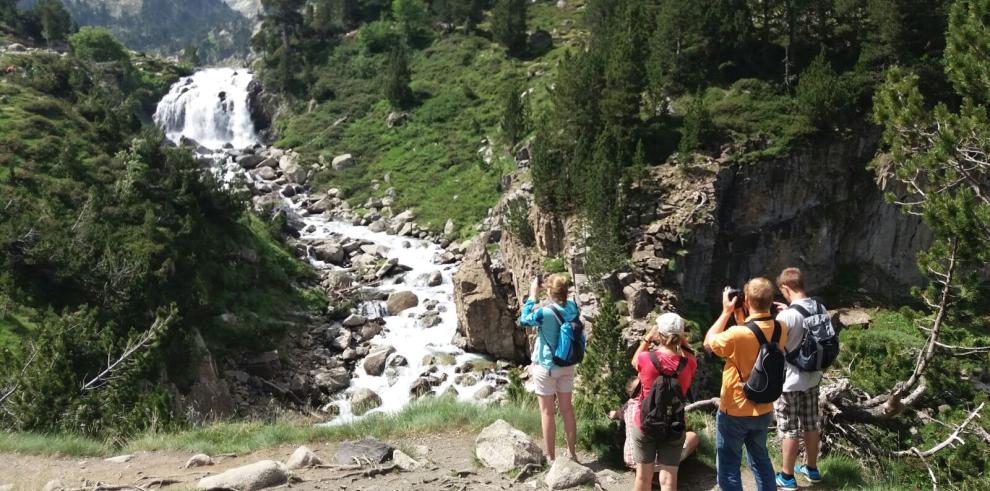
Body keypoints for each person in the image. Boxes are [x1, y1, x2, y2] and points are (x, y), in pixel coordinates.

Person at [704, 278, 788, 491]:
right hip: (764, 406)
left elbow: (709, 342)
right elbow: (755, 337)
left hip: (735, 408)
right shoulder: (781, 328)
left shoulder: (737, 334)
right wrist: (743, 317)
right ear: (771, 300)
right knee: (761, 460)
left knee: (729, 464)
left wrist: (726, 312)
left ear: (747, 299)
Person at [629, 313, 699, 491]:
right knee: (668, 480)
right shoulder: (688, 364)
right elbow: (691, 356)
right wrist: (682, 342)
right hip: (674, 425)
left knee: (643, 477)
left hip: (645, 423)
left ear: (658, 335)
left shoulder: (646, 359)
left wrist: (647, 338)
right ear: (680, 336)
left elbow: (634, 360)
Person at [518, 273, 580, 463]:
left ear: (549, 291)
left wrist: (532, 295)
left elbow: (524, 320)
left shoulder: (544, 312)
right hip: (567, 364)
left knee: (548, 412)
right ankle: (571, 453)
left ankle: (551, 456)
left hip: (546, 365)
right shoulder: (572, 307)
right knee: (567, 409)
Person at [773, 268, 825, 489]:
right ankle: (811, 469)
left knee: (789, 428)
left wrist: (782, 316)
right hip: (813, 377)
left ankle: (787, 477)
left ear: (785, 288)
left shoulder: (787, 316)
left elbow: (776, 346)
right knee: (811, 423)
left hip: (790, 381)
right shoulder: (819, 307)